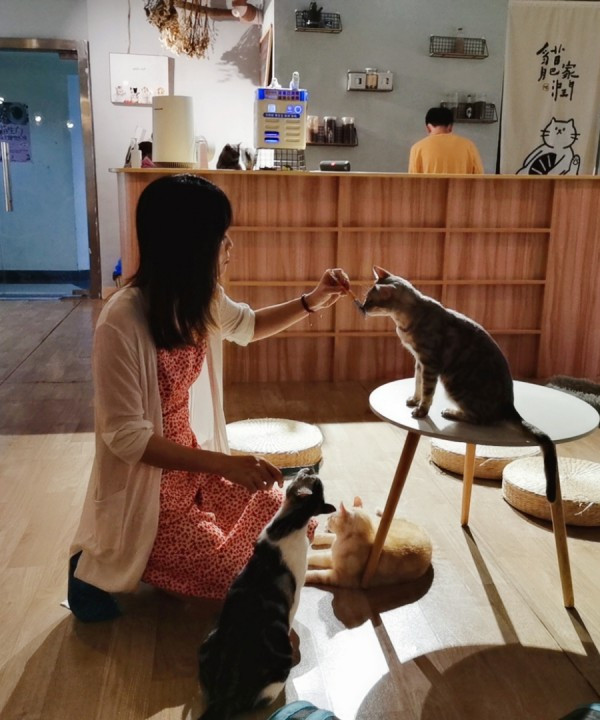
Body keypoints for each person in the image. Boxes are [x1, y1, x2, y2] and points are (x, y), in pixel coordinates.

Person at [68, 174, 350, 622]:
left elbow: (247, 326)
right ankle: (99, 566)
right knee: (238, 571)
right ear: (190, 245)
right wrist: (225, 464)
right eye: (221, 236)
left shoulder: (198, 297)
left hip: (191, 472)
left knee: (284, 510)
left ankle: (167, 564)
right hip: (150, 493)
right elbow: (126, 438)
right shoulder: (121, 319)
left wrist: (313, 300)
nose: (229, 246)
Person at [408, 106, 484, 174]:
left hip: (429, 186)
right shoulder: (469, 146)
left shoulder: (417, 148)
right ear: (450, 127)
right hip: (461, 186)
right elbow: (480, 178)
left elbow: (412, 181)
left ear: (428, 128)